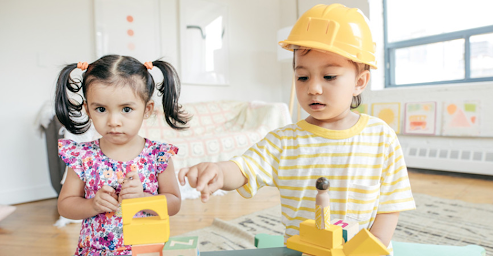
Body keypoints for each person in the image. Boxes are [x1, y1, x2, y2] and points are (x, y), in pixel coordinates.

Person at [179, 3, 416, 253]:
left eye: (329, 76)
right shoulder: (284, 141)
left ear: (359, 82)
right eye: (302, 77)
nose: (313, 87)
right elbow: (244, 168)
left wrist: (371, 249)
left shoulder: (381, 137)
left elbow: (390, 205)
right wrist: (218, 171)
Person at [55, 55, 189, 255]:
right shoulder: (82, 156)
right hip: (96, 250)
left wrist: (143, 197)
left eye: (126, 109)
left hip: (147, 250)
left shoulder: (157, 155)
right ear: (88, 110)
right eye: (101, 109)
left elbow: (174, 204)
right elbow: (65, 206)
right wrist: (92, 205)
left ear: (147, 109)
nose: (114, 121)